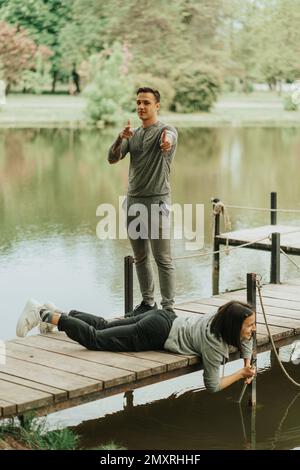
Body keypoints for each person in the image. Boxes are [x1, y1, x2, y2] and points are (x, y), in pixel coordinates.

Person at [16, 299, 256, 393]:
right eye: (249, 325)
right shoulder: (213, 345)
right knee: (95, 338)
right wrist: (242, 373)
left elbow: (247, 339)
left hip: (163, 317)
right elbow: (213, 385)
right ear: (233, 326)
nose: (253, 330)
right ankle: (43, 314)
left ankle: (57, 313)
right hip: (156, 333)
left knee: (103, 325)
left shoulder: (221, 316)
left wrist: (247, 360)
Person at [108, 87, 178, 317]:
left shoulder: (166, 131)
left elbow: (170, 139)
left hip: (157, 202)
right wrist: (120, 137)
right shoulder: (133, 134)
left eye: (146, 102)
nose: (141, 106)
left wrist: (166, 142)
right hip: (133, 202)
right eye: (138, 102)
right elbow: (112, 159)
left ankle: (168, 309)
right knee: (140, 257)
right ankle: (148, 303)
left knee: (162, 258)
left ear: (157, 106)